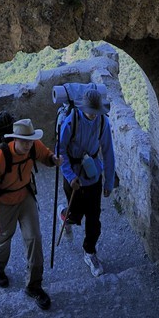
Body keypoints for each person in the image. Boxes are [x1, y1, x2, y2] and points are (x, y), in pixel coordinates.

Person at [0, 115, 57, 309]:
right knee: (3, 237)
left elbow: (45, 155)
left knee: (35, 238)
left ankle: (34, 285)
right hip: (5, 202)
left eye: (30, 141)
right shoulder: (0, 156)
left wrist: (53, 159)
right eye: (24, 142)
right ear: (15, 139)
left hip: (25, 195)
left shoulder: (33, 146)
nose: (28, 145)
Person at [58, 85, 116, 277]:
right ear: (83, 108)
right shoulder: (70, 122)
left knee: (94, 218)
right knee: (76, 215)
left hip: (93, 175)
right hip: (74, 176)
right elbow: (61, 151)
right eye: (90, 112)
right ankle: (64, 214)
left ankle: (89, 252)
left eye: (96, 112)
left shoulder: (102, 123)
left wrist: (108, 182)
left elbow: (108, 152)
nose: (93, 115)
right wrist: (70, 175)